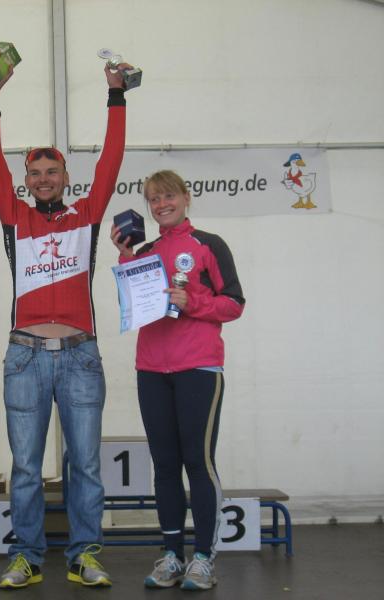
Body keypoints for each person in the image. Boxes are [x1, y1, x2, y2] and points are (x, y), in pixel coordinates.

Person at [0, 63, 129, 588]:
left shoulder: (85, 215)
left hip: (80, 355)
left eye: (52, 171)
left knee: (85, 464)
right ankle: (26, 556)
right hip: (24, 356)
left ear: (66, 177)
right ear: (26, 181)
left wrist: (116, 96)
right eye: (35, 173)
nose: (43, 179)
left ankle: (85, 554)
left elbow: (111, 160)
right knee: (26, 467)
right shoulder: (14, 217)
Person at [110, 170, 245, 591]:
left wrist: (193, 302)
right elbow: (137, 304)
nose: (161, 204)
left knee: (198, 463)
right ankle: (172, 555)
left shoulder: (209, 245)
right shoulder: (146, 251)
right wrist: (126, 258)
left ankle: (203, 558)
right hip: (151, 369)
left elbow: (234, 303)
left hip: (198, 368)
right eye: (154, 199)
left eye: (168, 196)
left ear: (186, 197)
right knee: (165, 465)